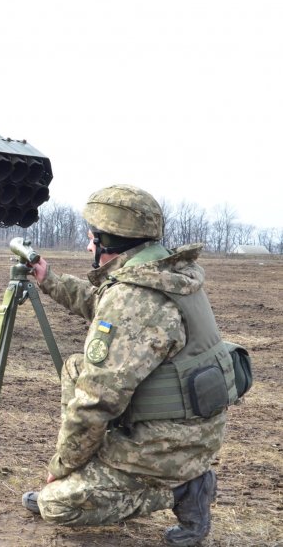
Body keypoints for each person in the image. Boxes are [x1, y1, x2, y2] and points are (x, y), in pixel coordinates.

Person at [22, 185, 236, 546]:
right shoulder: (166, 274)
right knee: (77, 366)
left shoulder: (135, 295)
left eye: (92, 239)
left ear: (110, 242)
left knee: (57, 505)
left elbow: (96, 401)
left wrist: (62, 468)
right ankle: (112, 473)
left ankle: (185, 489)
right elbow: (102, 304)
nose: (89, 247)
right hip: (191, 430)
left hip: (168, 446)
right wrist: (49, 279)